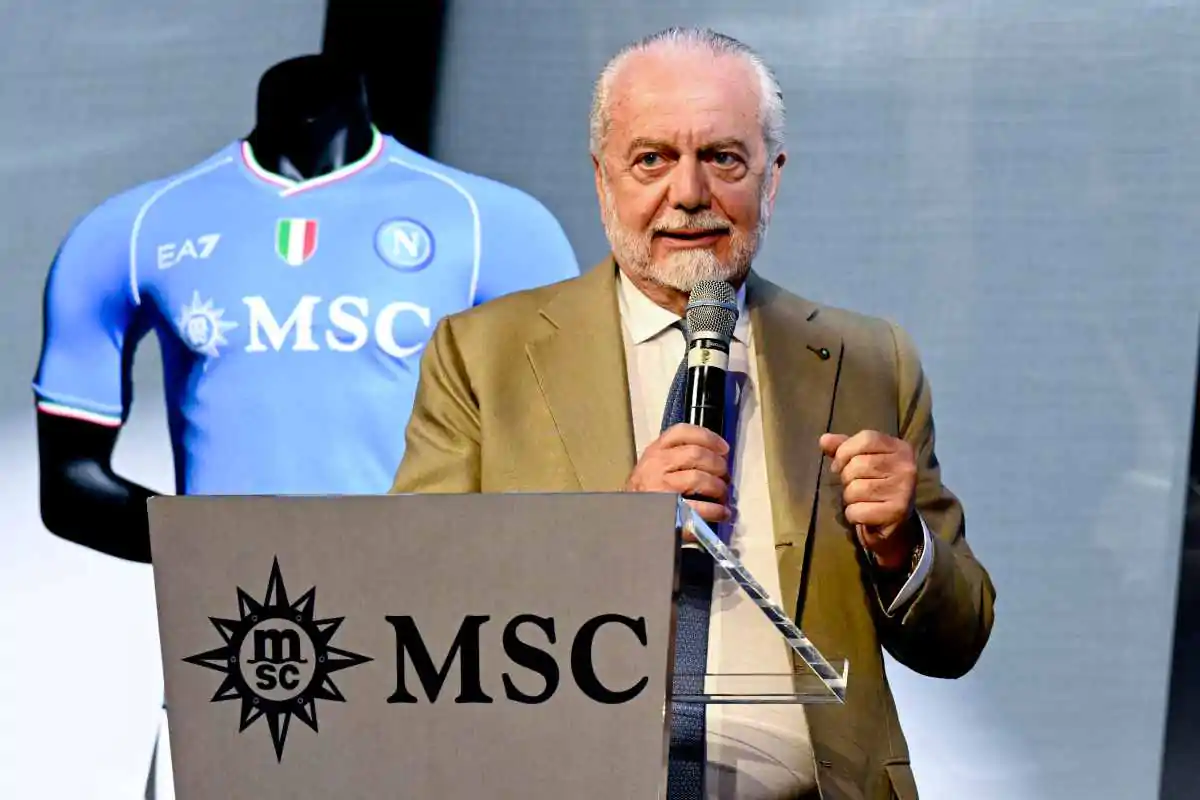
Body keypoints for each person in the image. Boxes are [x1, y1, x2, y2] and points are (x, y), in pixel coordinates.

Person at [390, 27, 995, 800]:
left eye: (723, 159)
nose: (688, 194)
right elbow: (415, 608)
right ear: (602, 178)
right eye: (652, 159)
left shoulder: (870, 359)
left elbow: (958, 639)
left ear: (771, 179)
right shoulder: (484, 354)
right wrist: (613, 537)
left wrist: (900, 545)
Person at [33, 54, 580, 564]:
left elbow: (566, 472)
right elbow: (71, 486)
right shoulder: (132, 230)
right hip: (238, 616)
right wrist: (218, 555)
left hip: (422, 604)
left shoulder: (497, 226)